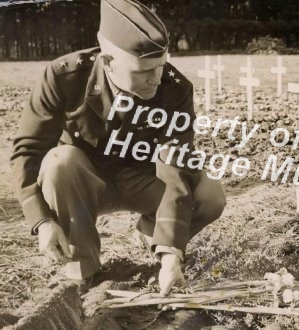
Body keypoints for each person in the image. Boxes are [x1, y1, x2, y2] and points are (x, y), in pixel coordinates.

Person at [10, 0, 226, 295]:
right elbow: (28, 152)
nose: (157, 77)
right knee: (60, 162)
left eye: (161, 65)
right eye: (144, 71)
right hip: (80, 183)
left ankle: (154, 237)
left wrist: (172, 254)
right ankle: (83, 271)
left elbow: (175, 167)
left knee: (209, 194)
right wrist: (43, 220)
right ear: (108, 61)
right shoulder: (63, 78)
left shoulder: (175, 89)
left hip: (142, 179)